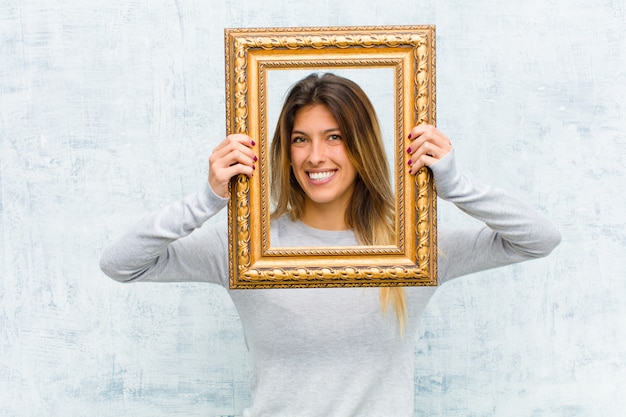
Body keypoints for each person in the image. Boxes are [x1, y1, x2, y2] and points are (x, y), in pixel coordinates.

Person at [100, 73, 561, 416]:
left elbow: (538, 239)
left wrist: (455, 184)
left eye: (334, 137)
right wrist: (207, 198)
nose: (315, 156)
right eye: (300, 140)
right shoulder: (247, 243)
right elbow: (120, 263)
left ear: (360, 145)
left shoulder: (412, 245)